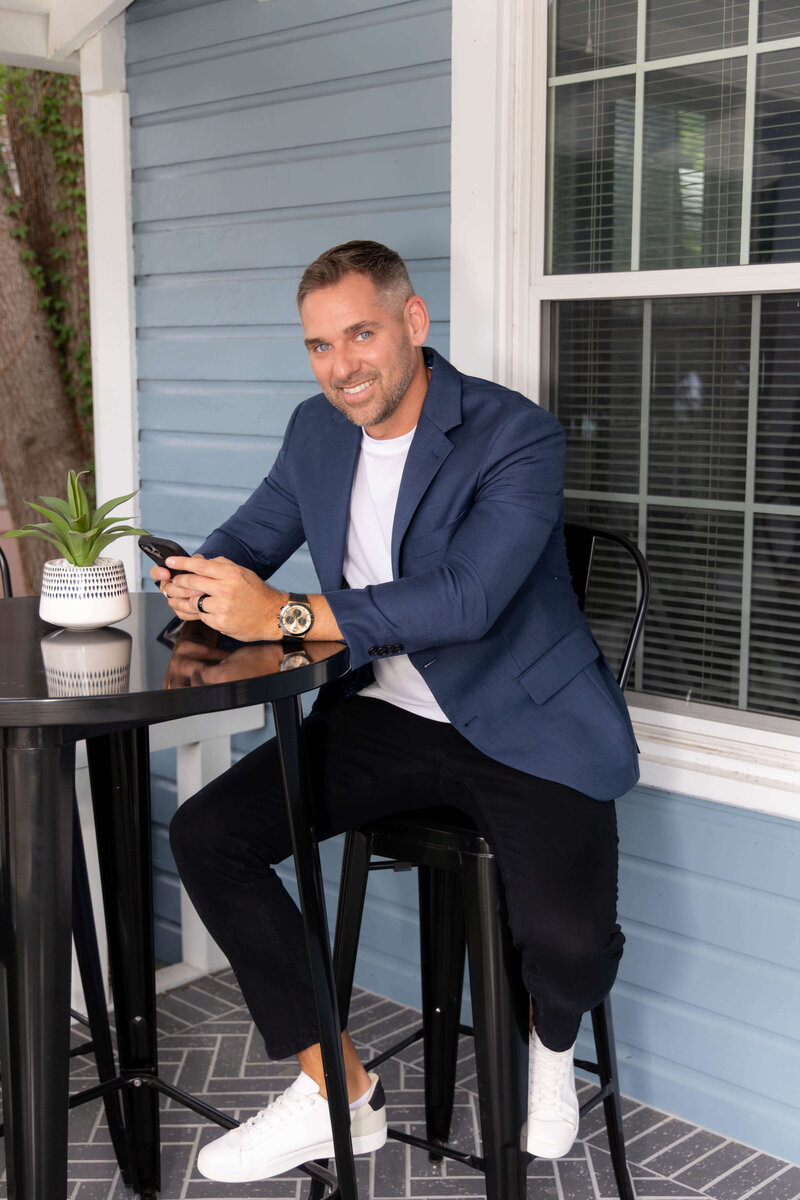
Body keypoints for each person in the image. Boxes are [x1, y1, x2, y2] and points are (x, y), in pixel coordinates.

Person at [153, 240, 639, 1184]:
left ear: (414, 323)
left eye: (361, 334)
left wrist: (288, 615)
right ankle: (336, 1091)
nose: (343, 367)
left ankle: (550, 1050)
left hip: (523, 715)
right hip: (390, 715)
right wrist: (201, 575)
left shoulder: (517, 434)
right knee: (209, 832)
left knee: (572, 944)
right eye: (319, 346)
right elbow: (254, 532)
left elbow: (465, 597)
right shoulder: (316, 432)